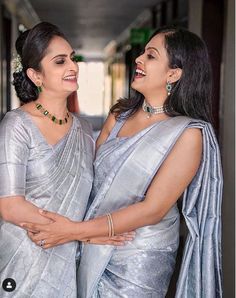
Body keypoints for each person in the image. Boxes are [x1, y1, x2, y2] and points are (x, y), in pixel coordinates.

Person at [22, 27, 223, 297]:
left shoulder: (188, 134)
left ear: (173, 73)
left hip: (138, 257)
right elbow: (89, 181)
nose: (139, 59)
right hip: (91, 241)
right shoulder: (119, 116)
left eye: (150, 56)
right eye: (142, 53)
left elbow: (152, 209)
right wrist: (80, 233)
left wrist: (73, 231)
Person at [0, 22, 132, 298]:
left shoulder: (83, 129)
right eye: (60, 61)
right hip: (23, 256)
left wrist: (77, 232)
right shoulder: (17, 125)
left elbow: (90, 193)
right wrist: (82, 233)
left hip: (67, 261)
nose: (72, 67)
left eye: (72, 58)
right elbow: (10, 206)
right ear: (36, 75)